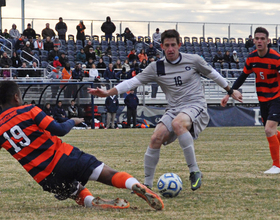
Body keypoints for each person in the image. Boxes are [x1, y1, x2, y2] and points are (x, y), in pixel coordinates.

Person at [88, 29, 241, 190]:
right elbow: (132, 82)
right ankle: (146, 185)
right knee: (156, 138)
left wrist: (230, 91)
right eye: (166, 45)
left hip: (196, 106)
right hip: (174, 109)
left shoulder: (194, 60)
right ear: (161, 46)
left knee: (177, 124)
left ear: (179, 45)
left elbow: (213, 74)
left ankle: (194, 170)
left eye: (173, 45)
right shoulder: (157, 67)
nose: (170, 49)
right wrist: (107, 92)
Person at [0, 81, 164, 210]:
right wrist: (73, 121)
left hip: (45, 178)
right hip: (63, 158)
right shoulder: (28, 110)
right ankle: (135, 185)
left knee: (75, 191)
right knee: (107, 173)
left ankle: (92, 202)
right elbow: (60, 129)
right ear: (16, 97)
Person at [221, 27, 280, 174]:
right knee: (271, 131)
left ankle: (277, 165)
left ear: (267, 41)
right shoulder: (252, 57)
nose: (259, 41)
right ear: (253, 40)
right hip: (263, 99)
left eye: (262, 39)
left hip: (277, 98)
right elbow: (242, 77)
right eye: (257, 39)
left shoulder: (276, 58)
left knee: (268, 129)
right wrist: (229, 93)